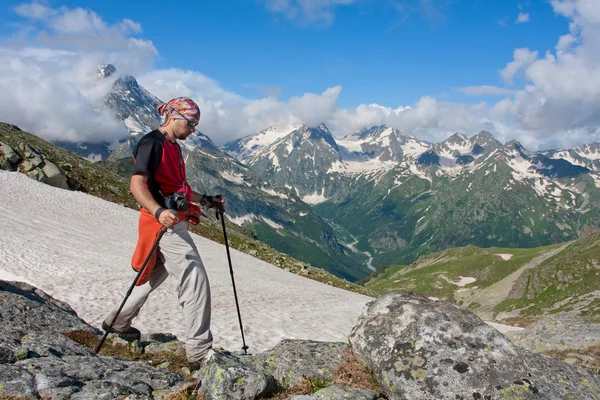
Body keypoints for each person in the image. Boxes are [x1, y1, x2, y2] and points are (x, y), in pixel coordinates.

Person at [101, 96, 225, 370]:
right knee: (194, 278)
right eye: (191, 123)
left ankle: (117, 323)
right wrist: (158, 211)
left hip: (171, 218)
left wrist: (204, 200)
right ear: (174, 116)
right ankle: (199, 352)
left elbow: (178, 188)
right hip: (164, 223)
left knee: (153, 273)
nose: (193, 129)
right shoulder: (152, 143)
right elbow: (136, 184)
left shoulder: (173, 146)